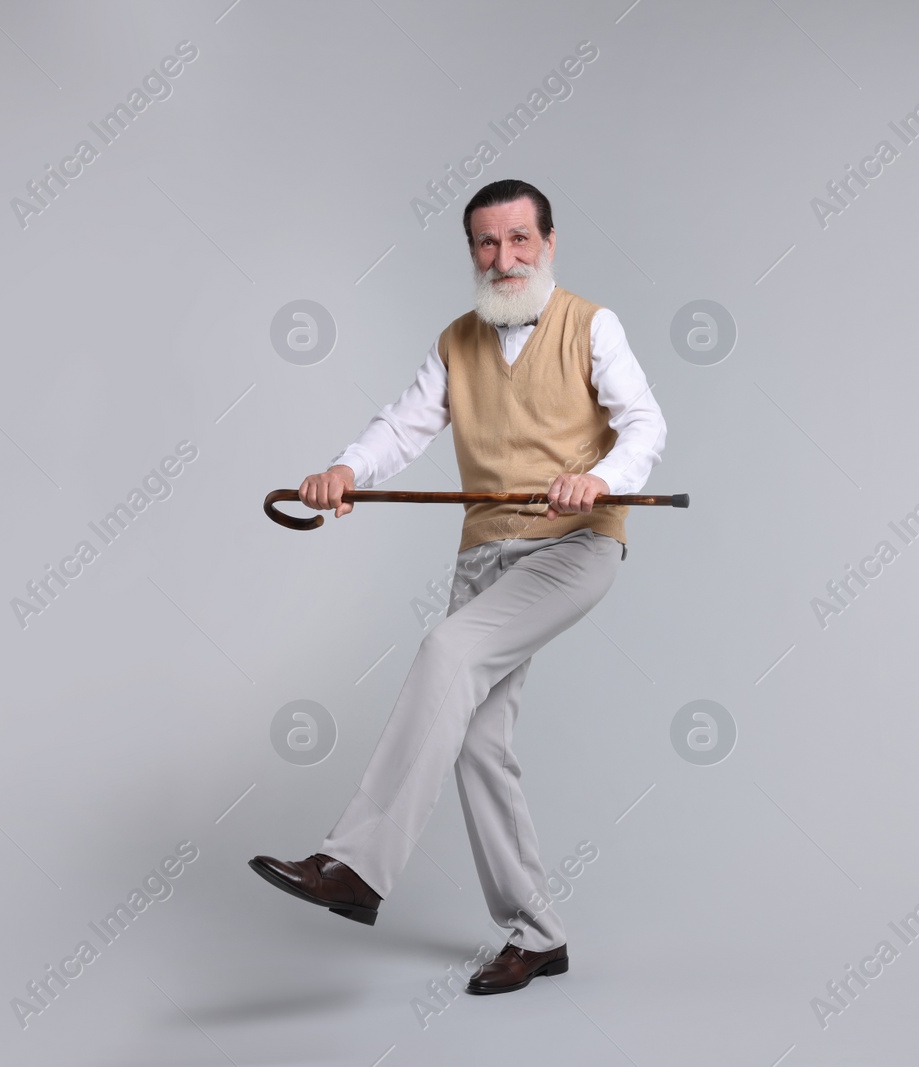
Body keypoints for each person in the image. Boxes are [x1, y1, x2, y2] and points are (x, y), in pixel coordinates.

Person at [250, 178, 667, 995]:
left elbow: (646, 423)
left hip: (573, 547)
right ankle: (539, 935)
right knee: (476, 740)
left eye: (519, 240)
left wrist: (600, 478)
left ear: (548, 244)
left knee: (447, 650)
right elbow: (401, 426)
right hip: (485, 555)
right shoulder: (457, 340)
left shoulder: (593, 324)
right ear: (472, 253)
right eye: (486, 243)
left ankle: (356, 866)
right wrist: (344, 469)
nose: (503, 257)